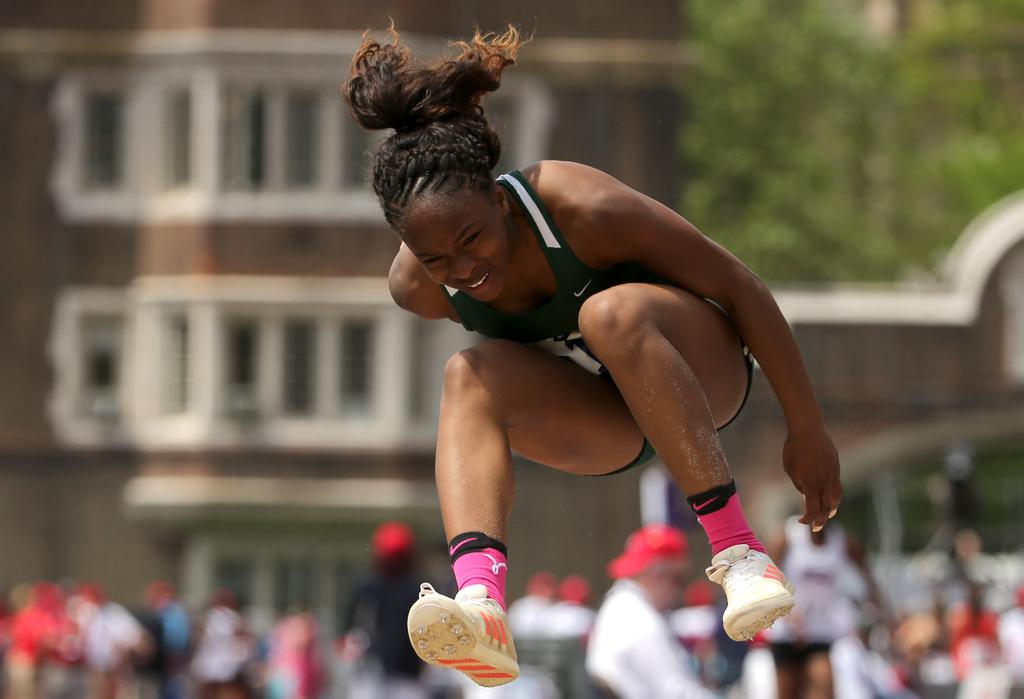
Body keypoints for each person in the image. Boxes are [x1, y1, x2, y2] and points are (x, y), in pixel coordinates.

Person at [343, 23, 841, 687]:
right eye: (440, 258)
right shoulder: (419, 288)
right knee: (467, 374)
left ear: (499, 199)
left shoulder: (579, 205)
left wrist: (806, 426)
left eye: (473, 239)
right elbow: (482, 338)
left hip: (701, 372)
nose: (465, 269)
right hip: (613, 418)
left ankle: (740, 552)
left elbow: (740, 285)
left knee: (609, 312)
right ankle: (481, 603)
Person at [586, 525, 713, 698]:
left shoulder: (620, 604)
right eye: (679, 579)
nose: (680, 591)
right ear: (657, 575)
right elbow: (676, 693)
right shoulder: (640, 619)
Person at [765, 516, 883, 699]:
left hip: (819, 632)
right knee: (788, 693)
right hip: (788, 633)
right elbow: (766, 577)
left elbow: (868, 576)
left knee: (825, 685)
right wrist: (787, 613)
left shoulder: (842, 541)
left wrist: (878, 606)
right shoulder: (788, 536)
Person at [506, 571, 557, 639]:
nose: (543, 590)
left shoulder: (556, 607)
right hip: (520, 644)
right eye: (540, 586)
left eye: (546, 587)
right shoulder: (520, 605)